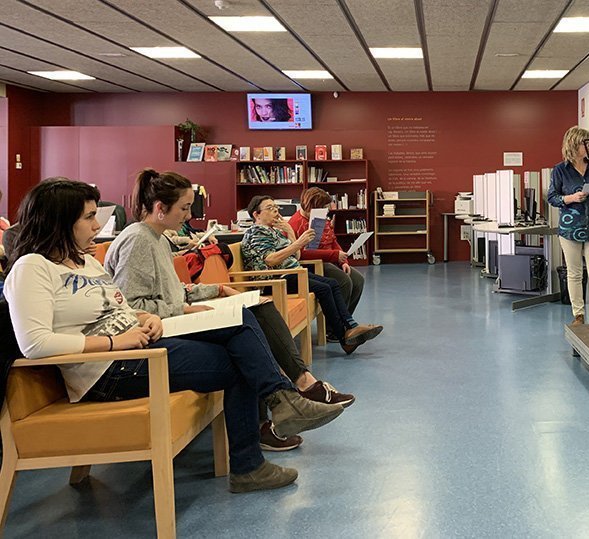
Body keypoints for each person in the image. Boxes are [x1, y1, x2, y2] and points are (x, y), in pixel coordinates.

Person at [3, 179, 347, 493]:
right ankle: (274, 417)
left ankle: (265, 435)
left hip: (139, 348)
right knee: (242, 336)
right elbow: (35, 344)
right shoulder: (32, 267)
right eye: (89, 217)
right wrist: (114, 342)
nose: (97, 225)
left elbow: (120, 306)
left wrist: (145, 318)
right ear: (60, 221)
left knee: (242, 336)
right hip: (108, 369)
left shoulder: (86, 263)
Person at [105, 169, 356, 451]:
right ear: (161, 208)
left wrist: (219, 290)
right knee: (244, 325)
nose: (189, 216)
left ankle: (299, 387)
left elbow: (174, 290)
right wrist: (184, 308)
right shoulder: (138, 241)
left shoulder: (159, 239)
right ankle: (287, 401)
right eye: (184, 208)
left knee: (258, 306)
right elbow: (132, 307)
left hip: (173, 316)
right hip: (158, 328)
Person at [242, 195, 382, 353]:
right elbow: (270, 260)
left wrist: (289, 232)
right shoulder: (257, 232)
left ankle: (351, 326)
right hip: (274, 281)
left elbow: (296, 256)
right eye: (270, 208)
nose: (275, 211)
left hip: (292, 273)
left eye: (276, 207)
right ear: (256, 214)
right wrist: (299, 242)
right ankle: (344, 337)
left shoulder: (274, 231)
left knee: (332, 284)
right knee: (325, 288)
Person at [547, 126, 589, 326]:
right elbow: (552, 197)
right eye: (587, 143)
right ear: (575, 144)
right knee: (574, 274)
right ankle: (579, 315)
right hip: (570, 229)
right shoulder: (560, 170)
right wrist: (571, 198)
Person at [290, 187, 365, 318]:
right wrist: (334, 256)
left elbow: (333, 241)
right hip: (313, 263)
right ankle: (335, 325)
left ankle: (346, 319)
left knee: (358, 280)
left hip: (330, 259)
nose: (327, 211)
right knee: (344, 281)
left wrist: (344, 261)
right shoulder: (295, 224)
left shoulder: (320, 218)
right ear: (312, 207)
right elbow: (301, 253)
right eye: (323, 207)